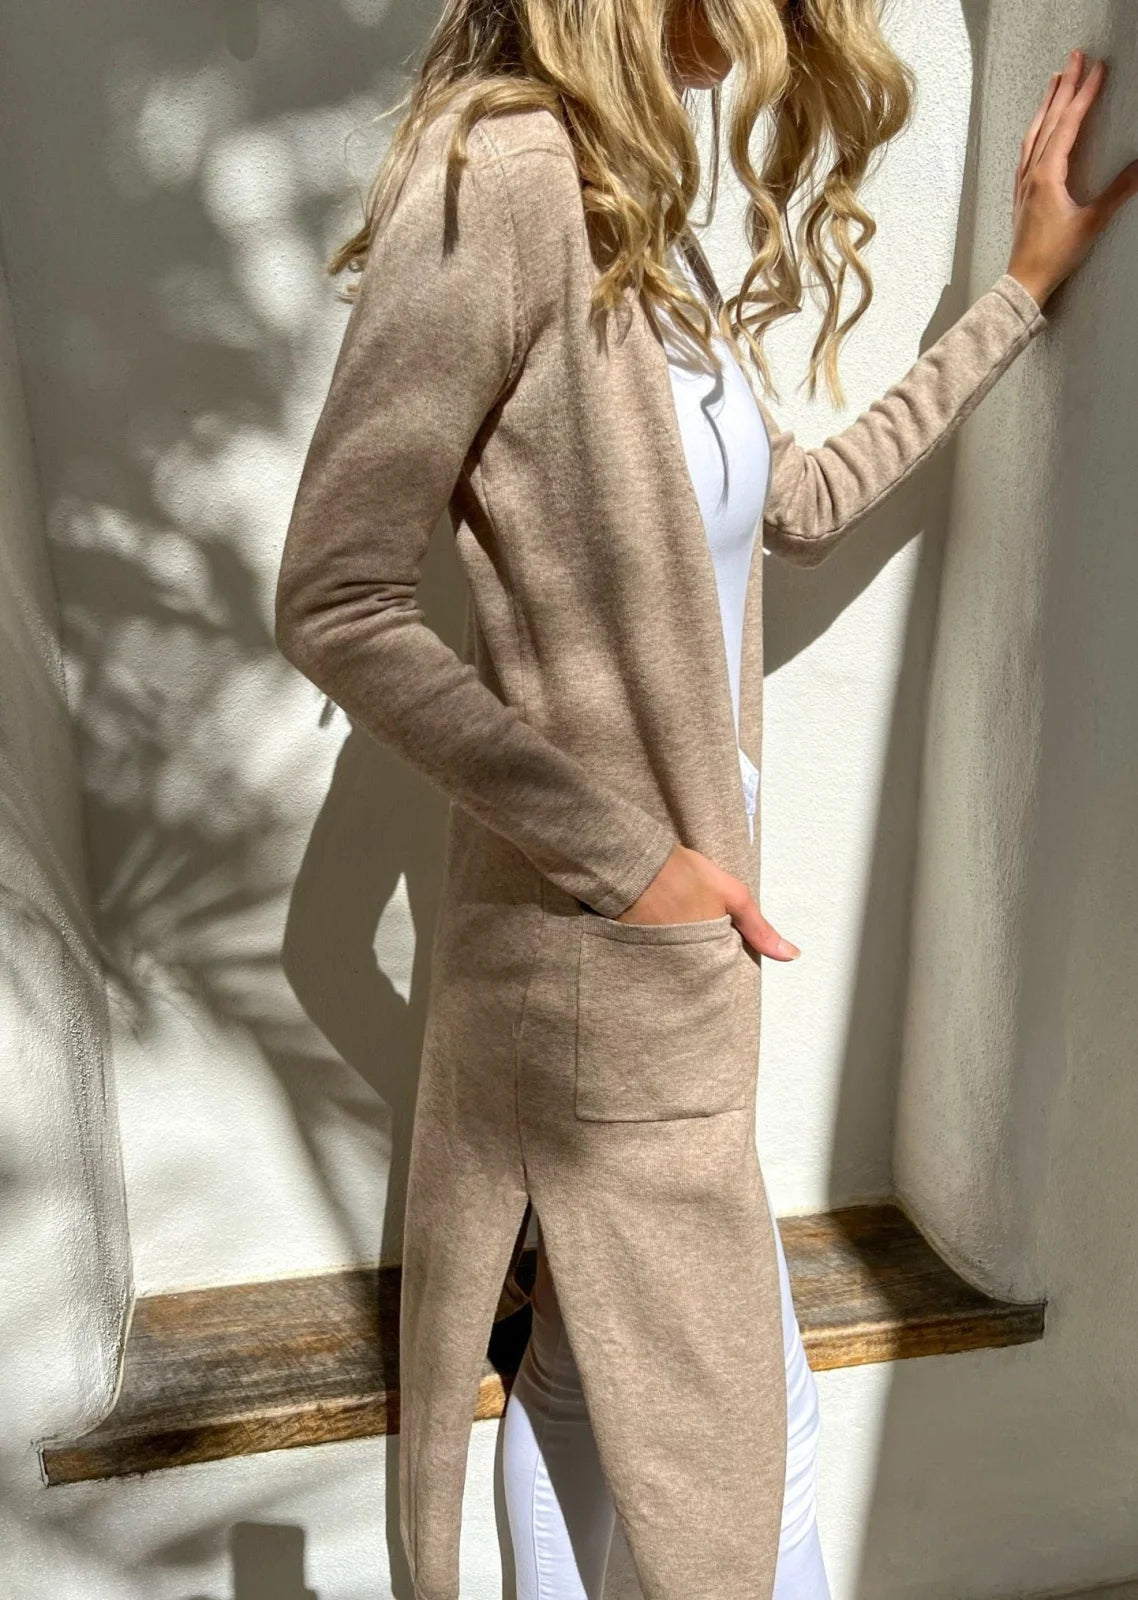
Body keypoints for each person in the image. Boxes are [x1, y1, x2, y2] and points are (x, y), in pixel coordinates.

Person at [274, 2, 1136, 1595]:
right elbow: (336, 601)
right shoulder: (500, 176)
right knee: (744, 1450)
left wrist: (1016, 294)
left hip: (668, 967)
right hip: (604, 968)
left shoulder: (631, 222)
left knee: (592, 1393)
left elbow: (793, 503)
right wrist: (633, 866)